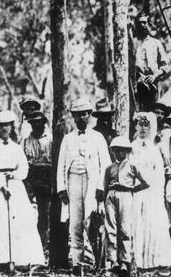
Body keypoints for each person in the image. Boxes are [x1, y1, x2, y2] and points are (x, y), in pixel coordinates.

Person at [0, 111, 45, 270]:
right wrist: (1, 186)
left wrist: (15, 174)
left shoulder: (17, 148)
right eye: (1, 125)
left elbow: (24, 167)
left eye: (8, 125)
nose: (5, 128)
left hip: (15, 186)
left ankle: (18, 259)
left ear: (12, 127)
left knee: (19, 221)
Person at [57, 98, 111, 273]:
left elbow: (106, 165)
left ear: (89, 116)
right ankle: (77, 262)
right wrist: (62, 189)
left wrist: (100, 188)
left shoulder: (98, 137)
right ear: (73, 116)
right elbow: (61, 166)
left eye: (85, 114)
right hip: (73, 181)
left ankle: (99, 262)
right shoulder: (67, 138)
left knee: (92, 221)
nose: (81, 117)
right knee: (75, 223)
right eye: (78, 115)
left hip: (92, 181)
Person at [130, 112, 171, 269]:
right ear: (135, 126)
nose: (143, 128)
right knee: (136, 221)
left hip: (152, 192)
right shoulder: (131, 147)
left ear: (151, 128)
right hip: (136, 190)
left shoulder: (155, 149)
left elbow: (160, 174)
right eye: (140, 125)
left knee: (153, 221)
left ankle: (155, 261)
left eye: (146, 125)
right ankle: (137, 261)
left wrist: (158, 193)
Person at [102, 136, 148, 277]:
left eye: (123, 151)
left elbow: (145, 182)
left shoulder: (132, 166)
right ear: (113, 152)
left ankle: (125, 261)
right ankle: (112, 260)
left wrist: (131, 188)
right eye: (117, 151)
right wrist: (105, 200)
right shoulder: (109, 168)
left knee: (125, 228)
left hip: (126, 195)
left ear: (127, 152)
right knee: (111, 228)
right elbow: (105, 186)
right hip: (111, 196)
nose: (120, 154)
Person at [21, 110, 52, 252]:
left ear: (44, 122)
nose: (36, 125)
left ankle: (43, 242)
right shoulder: (26, 140)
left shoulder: (50, 139)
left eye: (39, 122)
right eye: (33, 123)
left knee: (44, 211)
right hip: (31, 175)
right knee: (25, 209)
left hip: (46, 175)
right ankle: (27, 242)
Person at [133, 12, 171, 110]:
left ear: (149, 24)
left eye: (145, 23)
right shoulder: (132, 43)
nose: (142, 25)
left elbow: (166, 65)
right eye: (139, 23)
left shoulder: (156, 43)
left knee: (153, 111)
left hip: (153, 85)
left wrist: (155, 76)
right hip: (135, 86)